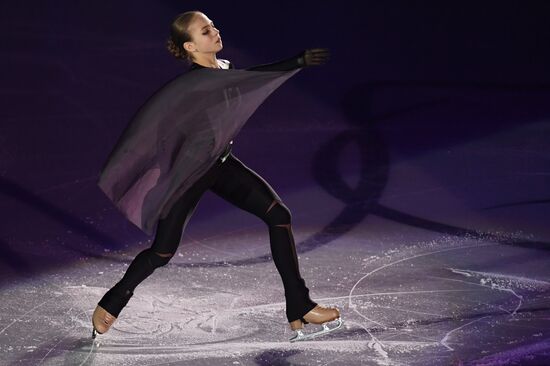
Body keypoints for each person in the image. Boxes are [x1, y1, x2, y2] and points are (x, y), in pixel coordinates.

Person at [92, 10, 342, 342]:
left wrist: (294, 63)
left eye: (213, 26)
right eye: (205, 31)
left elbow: (246, 79)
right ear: (191, 47)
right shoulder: (195, 83)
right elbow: (167, 125)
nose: (215, 32)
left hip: (220, 164)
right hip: (191, 174)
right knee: (163, 252)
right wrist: (294, 61)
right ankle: (113, 300)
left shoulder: (223, 70)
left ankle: (299, 305)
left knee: (278, 216)